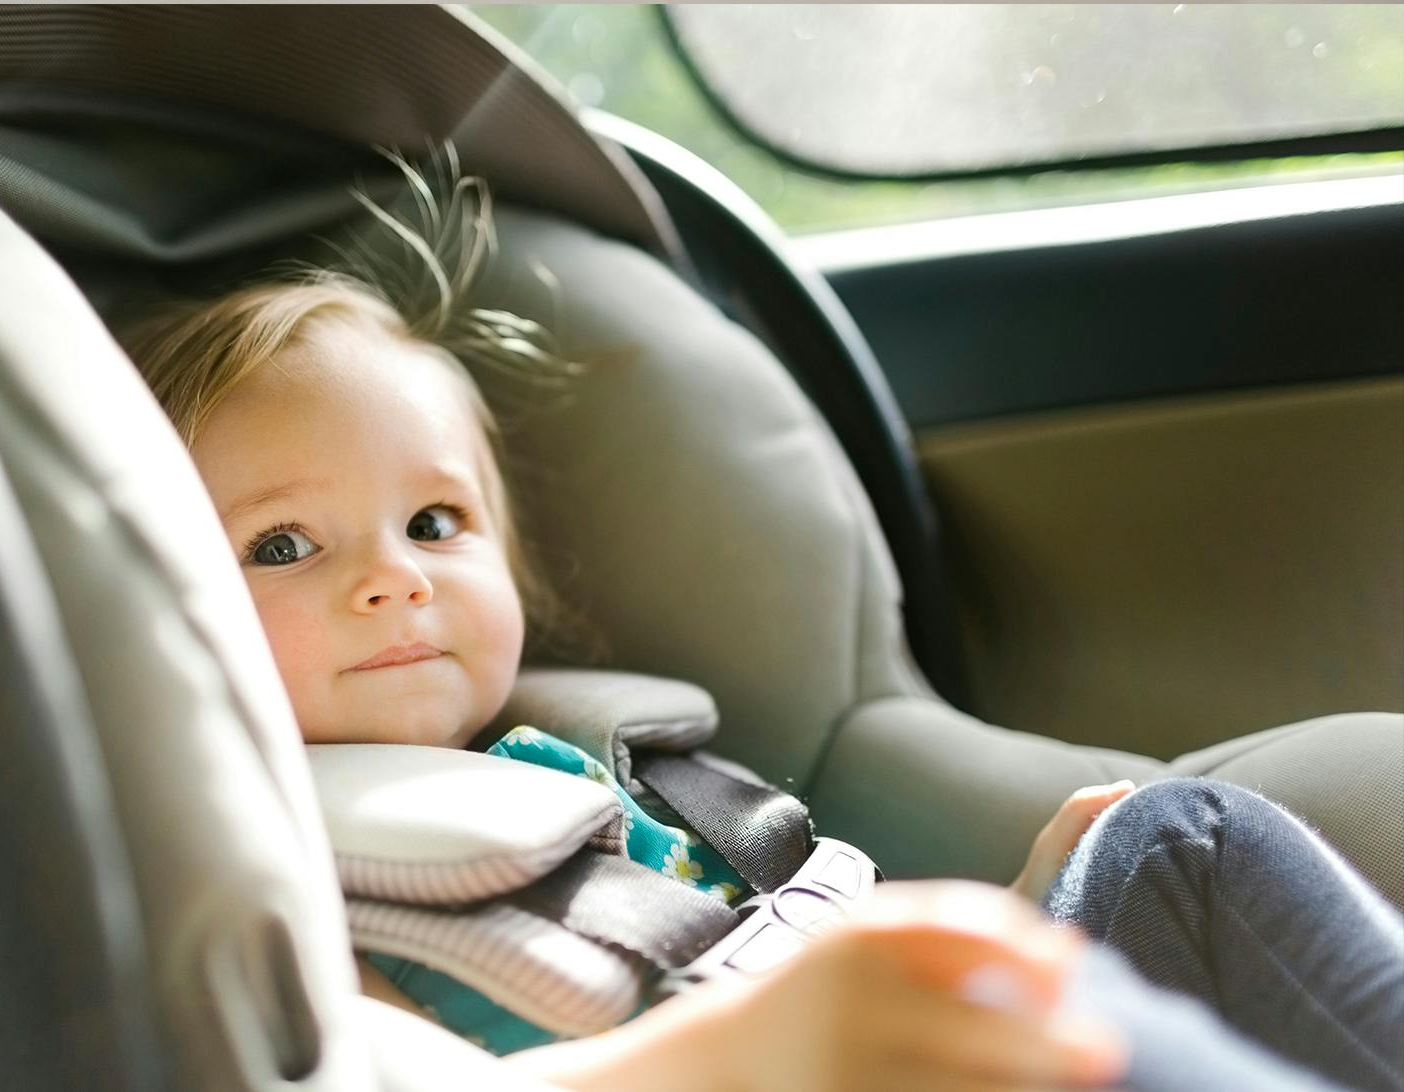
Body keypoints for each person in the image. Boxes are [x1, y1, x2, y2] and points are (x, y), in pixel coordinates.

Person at [126, 168, 1403, 1092]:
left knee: (1175, 839)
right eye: (282, 546)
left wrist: (1000, 915)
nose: (392, 581)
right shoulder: (251, 882)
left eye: (436, 523)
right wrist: (730, 1056)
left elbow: (790, 940)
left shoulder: (592, 774)